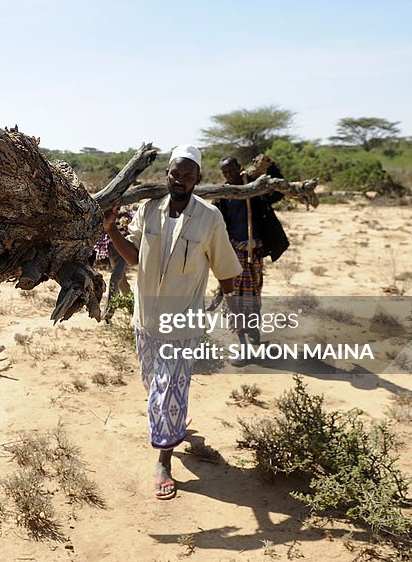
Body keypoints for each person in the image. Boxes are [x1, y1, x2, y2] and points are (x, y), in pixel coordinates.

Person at [103, 144, 241, 500]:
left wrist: (234, 306)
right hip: (146, 318)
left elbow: (225, 267)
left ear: (198, 179)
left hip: (183, 324)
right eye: (174, 174)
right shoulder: (149, 210)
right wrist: (110, 229)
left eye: (187, 175)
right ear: (167, 175)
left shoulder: (210, 218)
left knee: (166, 391)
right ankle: (174, 419)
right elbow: (134, 256)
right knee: (154, 383)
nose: (179, 181)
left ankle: (164, 459)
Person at [214, 156, 289, 354]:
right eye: (225, 173)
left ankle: (252, 329)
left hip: (254, 252)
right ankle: (242, 342)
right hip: (233, 252)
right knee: (235, 298)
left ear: (239, 168)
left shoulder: (255, 189)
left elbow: (277, 193)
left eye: (231, 170)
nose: (229, 175)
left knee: (254, 294)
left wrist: (271, 166)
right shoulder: (223, 195)